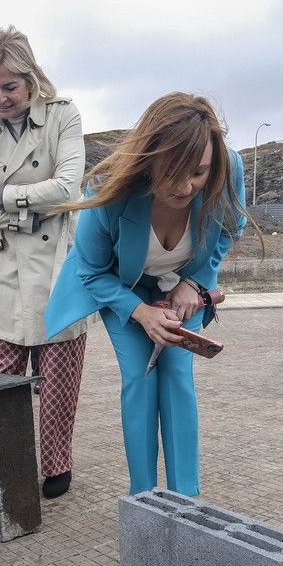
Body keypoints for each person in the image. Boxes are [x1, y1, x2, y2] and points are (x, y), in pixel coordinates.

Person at [44, 92, 246, 497]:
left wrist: (196, 281)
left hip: (182, 286)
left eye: (199, 173)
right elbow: (91, 270)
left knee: (176, 373)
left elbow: (229, 229)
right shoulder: (109, 189)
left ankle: (185, 500)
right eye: (174, 173)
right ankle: (145, 501)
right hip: (122, 288)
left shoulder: (228, 166)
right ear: (150, 158)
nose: (187, 186)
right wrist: (140, 313)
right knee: (140, 376)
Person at [0, 26, 87, 500]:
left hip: (58, 265)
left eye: (9, 86)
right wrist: (28, 214)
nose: (0, 98)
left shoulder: (63, 117)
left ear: (31, 80)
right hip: (7, 267)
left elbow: (69, 188)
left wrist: (6, 196)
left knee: (59, 373)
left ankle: (56, 464)